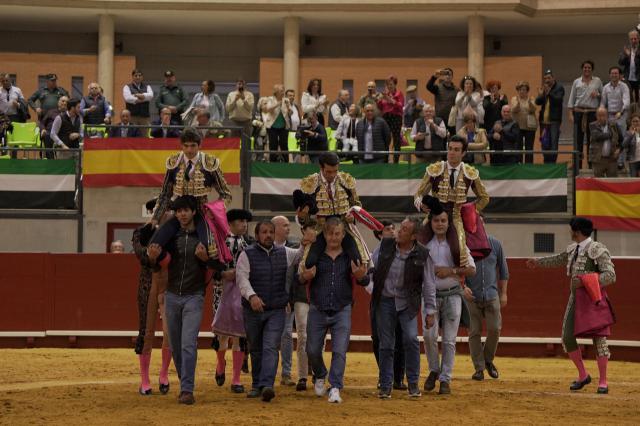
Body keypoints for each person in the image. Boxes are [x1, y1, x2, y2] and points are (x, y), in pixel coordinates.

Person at [147, 195, 230, 405]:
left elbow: (219, 268)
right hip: (172, 295)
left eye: (185, 210)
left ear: (194, 212)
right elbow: (156, 267)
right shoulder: (171, 237)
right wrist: (153, 257)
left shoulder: (205, 237)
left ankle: (186, 389)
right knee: (175, 345)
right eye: (178, 211)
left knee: (187, 344)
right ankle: (185, 381)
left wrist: (205, 260)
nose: (182, 214)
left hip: (194, 296)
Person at [526, 217, 616, 394]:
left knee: (599, 340)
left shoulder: (597, 249)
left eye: (571, 230)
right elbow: (558, 259)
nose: (570, 233)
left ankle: (603, 381)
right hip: (575, 299)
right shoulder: (573, 249)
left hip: (593, 300)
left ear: (577, 231)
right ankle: (583, 375)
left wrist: (586, 281)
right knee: (567, 337)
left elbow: (611, 275)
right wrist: (538, 262)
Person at [298, 217, 369, 403]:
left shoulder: (350, 256)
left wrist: (361, 277)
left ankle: (335, 386)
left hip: (341, 308)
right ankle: (320, 373)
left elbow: (365, 280)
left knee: (339, 351)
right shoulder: (315, 254)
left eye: (337, 234)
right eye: (330, 233)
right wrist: (305, 277)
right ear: (325, 234)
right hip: (318, 308)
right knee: (312, 349)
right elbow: (300, 278)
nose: (333, 237)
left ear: (343, 235)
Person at [371, 217, 436, 399]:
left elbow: (429, 284)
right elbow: (370, 267)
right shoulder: (385, 246)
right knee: (386, 344)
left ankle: (413, 384)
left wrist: (430, 311)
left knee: (411, 339)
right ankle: (385, 386)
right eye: (401, 228)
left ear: (414, 236)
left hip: (407, 303)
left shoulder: (423, 254)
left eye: (405, 230)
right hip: (385, 301)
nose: (399, 231)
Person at [236, 221, 300, 402]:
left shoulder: (285, 252)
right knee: (255, 348)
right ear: (257, 236)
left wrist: (307, 241)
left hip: (276, 309)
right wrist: (252, 296)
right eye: (264, 232)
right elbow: (242, 279)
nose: (268, 235)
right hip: (252, 309)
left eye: (271, 232)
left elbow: (301, 255)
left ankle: (266, 385)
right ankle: (257, 385)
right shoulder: (246, 254)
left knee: (270, 346)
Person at [149, 128, 232, 268]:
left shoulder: (210, 163)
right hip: (179, 211)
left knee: (211, 249)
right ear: (181, 146)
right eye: (186, 146)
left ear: (199, 145)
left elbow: (226, 194)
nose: (189, 150)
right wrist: (156, 218)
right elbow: (165, 194)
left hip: (201, 212)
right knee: (154, 245)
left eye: (193, 145)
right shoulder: (173, 162)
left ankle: (216, 280)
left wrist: (214, 211)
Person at [422, 201, 476, 395]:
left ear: (448, 222)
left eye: (443, 220)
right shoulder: (423, 243)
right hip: (429, 297)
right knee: (429, 336)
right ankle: (434, 369)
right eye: (436, 220)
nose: (440, 224)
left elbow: (471, 269)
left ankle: (445, 378)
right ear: (431, 222)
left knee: (449, 340)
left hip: (452, 294)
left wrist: (450, 270)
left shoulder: (457, 244)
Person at [414, 135, 490, 267]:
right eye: (450, 149)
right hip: (434, 214)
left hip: (455, 216)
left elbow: (484, 198)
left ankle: (459, 281)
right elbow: (418, 194)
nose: (451, 153)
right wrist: (420, 204)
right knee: (417, 246)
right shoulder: (435, 169)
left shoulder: (470, 172)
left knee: (458, 251)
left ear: (463, 153)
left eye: (456, 149)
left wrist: (470, 211)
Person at [295, 152, 369, 270]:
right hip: (320, 227)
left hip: (344, 226)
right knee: (309, 263)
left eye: (335, 171)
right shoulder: (310, 183)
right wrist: (304, 221)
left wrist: (353, 216)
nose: (333, 175)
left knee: (359, 261)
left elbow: (356, 205)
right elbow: (303, 216)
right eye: (329, 172)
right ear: (321, 167)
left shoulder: (346, 180)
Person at [132, 200, 173, 396]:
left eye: (167, 209)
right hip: (149, 284)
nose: (165, 213)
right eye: (159, 210)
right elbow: (141, 256)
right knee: (147, 332)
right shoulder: (141, 232)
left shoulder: (176, 232)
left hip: (171, 286)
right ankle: (145, 379)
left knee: (170, 333)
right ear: (150, 211)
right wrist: (151, 256)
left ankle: (164, 374)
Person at [212, 208, 253, 394]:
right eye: (240, 221)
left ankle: (236, 379)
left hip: (243, 291)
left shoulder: (250, 243)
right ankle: (221, 363)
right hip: (222, 290)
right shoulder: (221, 242)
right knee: (222, 334)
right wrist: (221, 273)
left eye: (245, 221)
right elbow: (212, 266)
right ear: (230, 224)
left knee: (239, 335)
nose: (244, 225)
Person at [367, 221, 407, 391]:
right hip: (379, 300)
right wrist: (376, 292)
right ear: (379, 235)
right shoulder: (375, 254)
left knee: (400, 339)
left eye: (393, 228)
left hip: (399, 301)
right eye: (387, 229)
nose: (392, 231)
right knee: (378, 339)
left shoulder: (402, 250)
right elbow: (368, 280)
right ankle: (385, 374)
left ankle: (397, 378)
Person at [464, 233, 508, 381]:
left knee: (495, 329)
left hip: (491, 294)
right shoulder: (463, 244)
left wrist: (504, 294)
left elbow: (503, 271)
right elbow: (457, 268)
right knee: (474, 332)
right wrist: (463, 287)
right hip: (472, 296)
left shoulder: (495, 244)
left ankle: (487, 360)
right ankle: (479, 368)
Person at [289, 221, 317, 391]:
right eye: (310, 228)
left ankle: (315, 368)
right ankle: (302, 376)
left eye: (315, 228)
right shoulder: (296, 249)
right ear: (303, 230)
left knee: (317, 337)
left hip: (318, 297)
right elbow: (290, 275)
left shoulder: (325, 246)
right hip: (301, 296)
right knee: (303, 336)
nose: (313, 231)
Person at [271, 215, 299, 387]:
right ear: (275, 229)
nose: (289, 228)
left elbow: (294, 279)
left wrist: (289, 298)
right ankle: (267, 372)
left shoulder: (294, 248)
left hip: (286, 301)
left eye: (289, 226)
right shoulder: (263, 247)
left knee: (286, 335)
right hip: (267, 301)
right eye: (285, 225)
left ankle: (286, 373)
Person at [568, 60, 603, 169]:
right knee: (578, 139)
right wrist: (570, 114)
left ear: (592, 69)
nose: (587, 69)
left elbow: (603, 96)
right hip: (579, 112)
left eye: (589, 68)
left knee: (591, 140)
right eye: (585, 67)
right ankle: (577, 165)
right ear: (582, 69)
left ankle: (591, 164)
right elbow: (571, 99)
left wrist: (598, 94)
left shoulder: (597, 81)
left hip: (593, 113)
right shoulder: (576, 82)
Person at [535, 69, 565, 164]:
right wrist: (541, 94)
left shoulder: (559, 88)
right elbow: (537, 102)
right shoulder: (545, 88)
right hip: (544, 122)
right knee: (544, 143)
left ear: (553, 78)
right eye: (545, 78)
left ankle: (552, 164)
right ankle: (546, 163)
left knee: (553, 144)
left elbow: (558, 100)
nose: (547, 80)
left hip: (554, 122)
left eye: (549, 78)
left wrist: (549, 93)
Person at [376, 75, 404, 163]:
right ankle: (385, 160)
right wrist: (379, 100)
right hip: (386, 117)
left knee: (396, 139)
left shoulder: (399, 94)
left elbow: (400, 106)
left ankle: (396, 161)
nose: (389, 86)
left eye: (391, 84)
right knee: (385, 139)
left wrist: (390, 100)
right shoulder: (385, 94)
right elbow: (380, 107)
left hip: (396, 117)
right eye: (388, 84)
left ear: (395, 84)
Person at [262, 84, 291, 163]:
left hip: (284, 127)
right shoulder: (270, 99)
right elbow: (267, 109)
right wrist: (278, 103)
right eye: (281, 91)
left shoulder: (286, 100)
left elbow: (290, 113)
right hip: (272, 127)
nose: (283, 92)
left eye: (283, 90)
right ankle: (273, 164)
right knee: (273, 146)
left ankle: (286, 164)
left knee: (284, 146)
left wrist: (289, 108)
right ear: (276, 92)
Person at [588, 107, 620, 177]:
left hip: (611, 159)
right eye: (599, 115)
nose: (601, 117)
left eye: (603, 115)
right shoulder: (592, 125)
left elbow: (621, 139)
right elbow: (597, 136)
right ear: (596, 116)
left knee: (612, 182)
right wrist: (610, 134)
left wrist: (619, 150)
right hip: (598, 159)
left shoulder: (614, 125)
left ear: (607, 116)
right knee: (598, 183)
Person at [511, 81, 538, 164]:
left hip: (529, 127)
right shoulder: (514, 99)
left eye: (524, 89)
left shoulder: (532, 99)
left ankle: (529, 165)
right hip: (518, 126)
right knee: (518, 147)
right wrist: (518, 103)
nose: (522, 91)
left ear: (527, 91)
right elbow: (514, 110)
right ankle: (518, 164)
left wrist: (529, 102)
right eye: (520, 90)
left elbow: (533, 109)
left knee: (529, 147)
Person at [426, 68, 457, 134]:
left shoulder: (456, 90)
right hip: (440, 119)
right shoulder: (438, 88)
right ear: (443, 76)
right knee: (441, 141)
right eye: (446, 74)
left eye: (450, 75)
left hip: (453, 119)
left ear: (452, 77)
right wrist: (434, 77)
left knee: (453, 140)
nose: (448, 76)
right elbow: (428, 86)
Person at [600, 66, 630, 135]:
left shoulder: (624, 86)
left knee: (621, 136)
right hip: (609, 115)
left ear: (619, 75)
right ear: (609, 75)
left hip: (621, 114)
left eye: (616, 73)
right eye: (612, 73)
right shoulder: (605, 87)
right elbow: (602, 103)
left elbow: (627, 103)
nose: (614, 75)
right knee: (609, 136)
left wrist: (620, 112)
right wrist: (602, 114)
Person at [226, 78, 255, 143]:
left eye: (243, 84)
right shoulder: (231, 94)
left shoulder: (250, 94)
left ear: (245, 85)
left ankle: (246, 154)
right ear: (236, 85)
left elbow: (250, 108)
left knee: (246, 142)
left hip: (246, 122)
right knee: (233, 142)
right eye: (239, 84)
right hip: (234, 122)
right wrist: (235, 100)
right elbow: (228, 109)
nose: (241, 85)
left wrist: (244, 99)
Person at [618, 30, 640, 103]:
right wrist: (627, 56)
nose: (633, 41)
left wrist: (632, 56)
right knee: (628, 99)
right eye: (631, 39)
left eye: (635, 38)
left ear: (638, 39)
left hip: (638, 79)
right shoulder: (626, 49)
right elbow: (620, 62)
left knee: (638, 99)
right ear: (629, 40)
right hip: (628, 78)